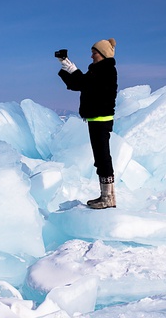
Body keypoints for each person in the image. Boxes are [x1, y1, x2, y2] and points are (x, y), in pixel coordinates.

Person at [57, 38, 118, 209]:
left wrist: (71, 68)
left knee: (102, 158)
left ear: (102, 54)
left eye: (94, 53)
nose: (91, 56)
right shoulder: (99, 70)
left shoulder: (106, 70)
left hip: (100, 119)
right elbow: (78, 84)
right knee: (101, 158)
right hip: (96, 119)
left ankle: (107, 198)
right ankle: (108, 196)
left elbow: (84, 83)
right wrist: (65, 65)